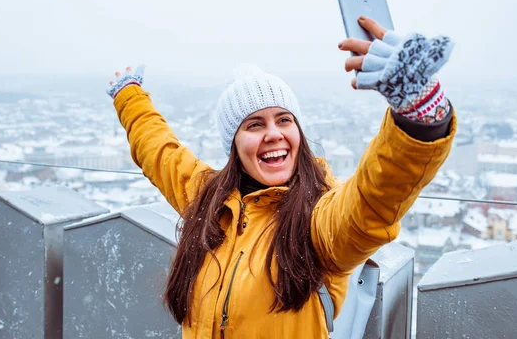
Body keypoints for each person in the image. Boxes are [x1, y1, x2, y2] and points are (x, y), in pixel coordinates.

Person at [107, 17, 456, 338]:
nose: (273, 133)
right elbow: (160, 152)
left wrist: (419, 115)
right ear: (233, 143)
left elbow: (374, 199)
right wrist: (129, 95)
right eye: (254, 124)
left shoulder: (319, 218)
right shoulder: (209, 200)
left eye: (284, 120)